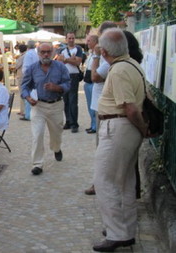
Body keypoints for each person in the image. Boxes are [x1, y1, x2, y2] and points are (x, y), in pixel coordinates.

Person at [91, 28, 148, 252]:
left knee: (104, 181)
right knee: (124, 182)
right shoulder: (133, 65)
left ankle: (117, 233)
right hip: (122, 127)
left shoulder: (119, 70)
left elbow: (130, 109)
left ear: (104, 51)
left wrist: (142, 129)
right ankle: (125, 230)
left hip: (118, 127)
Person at [21, 43, 70, 176]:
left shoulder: (60, 67)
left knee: (57, 133)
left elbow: (67, 84)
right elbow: (24, 86)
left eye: (48, 52)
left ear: (53, 52)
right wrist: (27, 97)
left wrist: (57, 88)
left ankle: (56, 148)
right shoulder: (32, 69)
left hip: (56, 105)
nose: (46, 54)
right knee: (37, 134)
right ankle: (37, 164)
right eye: (43, 52)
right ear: (38, 54)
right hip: (39, 106)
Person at [84, 21, 118, 196]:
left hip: (105, 108)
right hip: (101, 106)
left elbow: (94, 77)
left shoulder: (108, 58)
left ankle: (100, 185)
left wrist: (97, 57)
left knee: (102, 150)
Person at [57, 32, 83, 133]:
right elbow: (59, 61)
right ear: (66, 39)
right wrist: (70, 59)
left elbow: (77, 62)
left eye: (73, 38)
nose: (71, 40)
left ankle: (74, 123)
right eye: (69, 38)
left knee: (73, 100)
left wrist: (66, 59)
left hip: (74, 76)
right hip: (64, 77)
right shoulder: (61, 50)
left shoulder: (78, 49)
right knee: (66, 100)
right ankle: (68, 120)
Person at [21, 40, 39, 121]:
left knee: (27, 95)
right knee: (33, 94)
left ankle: (28, 115)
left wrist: (25, 76)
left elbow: (26, 67)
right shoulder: (36, 53)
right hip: (35, 75)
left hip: (29, 76)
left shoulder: (28, 54)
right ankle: (32, 113)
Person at [84, 34, 99, 134]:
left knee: (93, 106)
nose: (87, 43)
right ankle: (92, 124)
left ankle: (95, 126)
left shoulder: (98, 55)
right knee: (89, 105)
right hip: (87, 81)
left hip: (93, 82)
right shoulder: (90, 53)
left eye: (89, 41)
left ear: (95, 41)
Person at [15, 45, 27, 117]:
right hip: (24, 76)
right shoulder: (26, 55)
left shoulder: (22, 56)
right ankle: (22, 110)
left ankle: (23, 111)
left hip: (21, 76)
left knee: (22, 93)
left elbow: (17, 66)